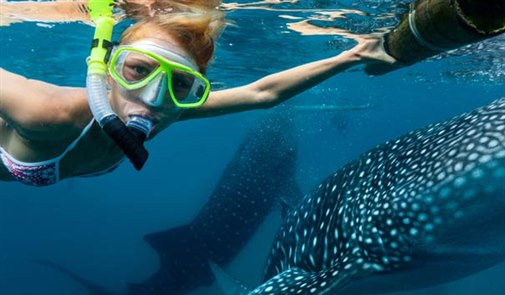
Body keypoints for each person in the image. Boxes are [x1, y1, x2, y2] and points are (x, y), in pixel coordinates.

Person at [0, 0, 396, 186]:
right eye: (138, 70)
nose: (152, 99)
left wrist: (352, 55)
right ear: (106, 67)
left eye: (180, 83)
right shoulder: (45, 112)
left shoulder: (172, 109)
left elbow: (262, 93)